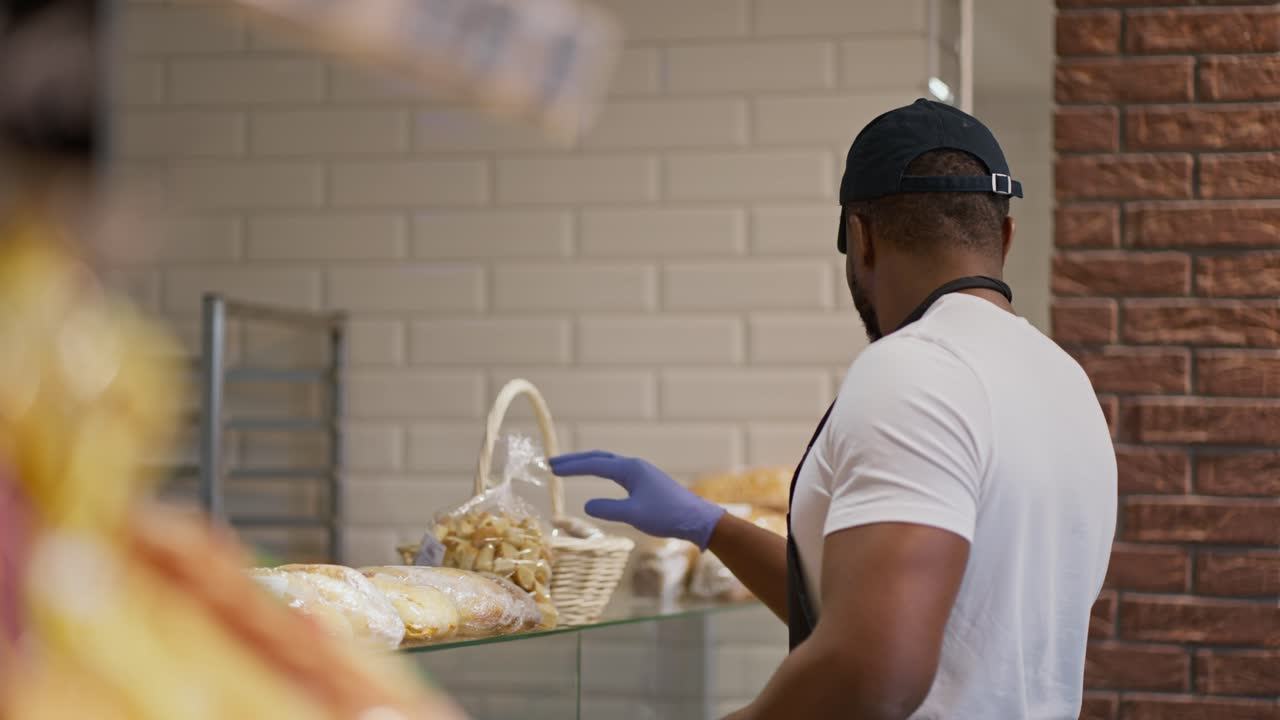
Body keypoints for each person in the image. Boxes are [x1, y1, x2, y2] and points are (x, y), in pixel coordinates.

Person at [551, 99, 1117, 719]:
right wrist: (712, 526)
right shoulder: (1066, 383)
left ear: (859, 236)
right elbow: (899, 611)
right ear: (1006, 236)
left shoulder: (916, 367)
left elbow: (874, 668)